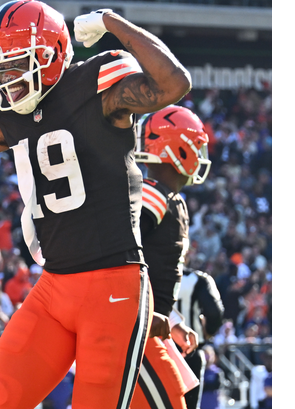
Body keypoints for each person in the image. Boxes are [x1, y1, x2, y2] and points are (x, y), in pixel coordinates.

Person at [0, 0, 191, 409]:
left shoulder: (95, 84)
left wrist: (112, 22)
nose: (6, 79)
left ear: (49, 54)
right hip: (53, 287)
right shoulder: (10, 111)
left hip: (112, 285)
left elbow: (174, 84)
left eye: (15, 65)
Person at [131, 105, 213, 409]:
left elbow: (154, 271)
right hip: (131, 324)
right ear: (180, 147)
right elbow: (118, 253)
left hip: (145, 324)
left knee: (188, 389)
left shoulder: (164, 195)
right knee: (176, 400)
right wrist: (144, 313)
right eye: (198, 145)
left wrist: (172, 319)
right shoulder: (153, 194)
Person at [176, 266, 225, 409]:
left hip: (157, 348)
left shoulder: (150, 275)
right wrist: (208, 331)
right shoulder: (198, 279)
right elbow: (215, 313)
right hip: (191, 350)